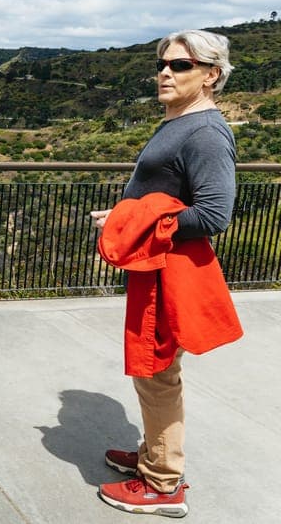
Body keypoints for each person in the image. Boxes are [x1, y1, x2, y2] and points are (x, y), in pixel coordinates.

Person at [91, 29, 243, 518]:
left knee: (156, 372)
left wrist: (128, 220)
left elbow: (215, 215)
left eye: (181, 65)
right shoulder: (179, 121)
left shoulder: (205, 133)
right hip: (154, 265)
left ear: (211, 76)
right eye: (163, 64)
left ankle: (162, 485)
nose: (165, 72)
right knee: (153, 371)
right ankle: (153, 457)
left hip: (168, 271)